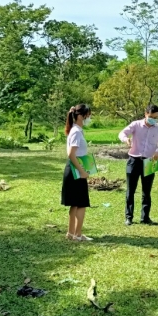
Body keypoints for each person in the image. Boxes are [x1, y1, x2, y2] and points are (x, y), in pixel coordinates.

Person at [118, 104, 158, 226]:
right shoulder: (136, 125)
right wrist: (126, 139)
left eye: (155, 117)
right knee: (131, 190)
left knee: (147, 191)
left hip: (150, 161)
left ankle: (145, 217)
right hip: (134, 160)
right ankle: (129, 217)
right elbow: (122, 133)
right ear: (145, 114)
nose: (153, 119)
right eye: (151, 116)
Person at [61, 104, 93, 242]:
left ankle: (71, 233)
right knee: (81, 204)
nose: (89, 118)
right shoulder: (76, 132)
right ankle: (78, 235)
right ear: (80, 116)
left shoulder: (77, 130)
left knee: (75, 203)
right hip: (75, 171)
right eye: (88, 115)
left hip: (76, 169)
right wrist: (82, 171)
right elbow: (71, 154)